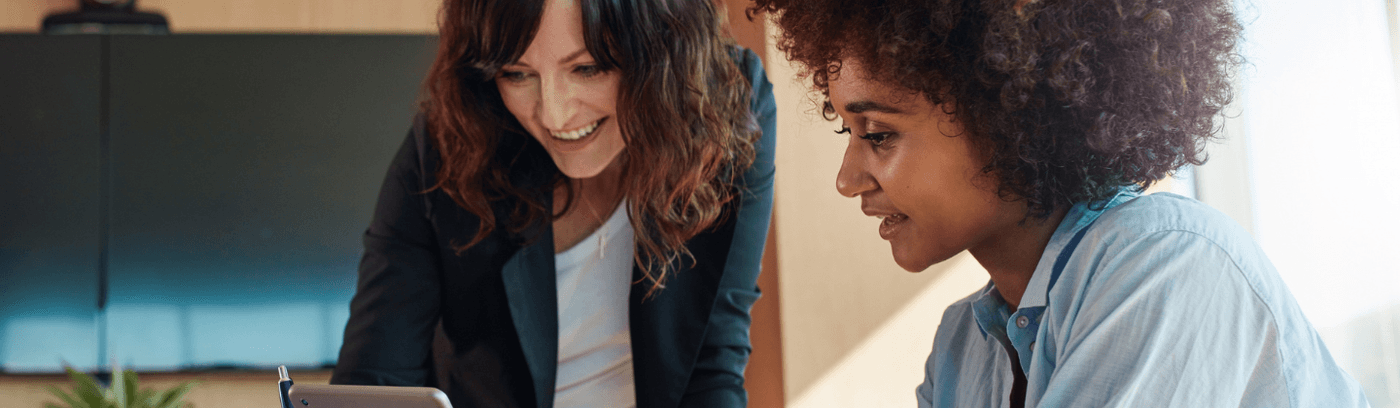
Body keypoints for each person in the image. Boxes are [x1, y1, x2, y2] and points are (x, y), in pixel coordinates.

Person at [753, 0, 1370, 406]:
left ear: (1006, 113)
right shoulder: (961, 348)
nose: (848, 179)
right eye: (849, 132)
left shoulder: (1167, 268)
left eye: (878, 134)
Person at [330, 0, 776, 407]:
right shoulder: (451, 140)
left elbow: (711, 361)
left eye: (587, 68)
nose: (553, 114)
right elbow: (375, 379)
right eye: (516, 73)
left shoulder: (727, 107)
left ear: (664, 50)